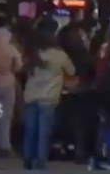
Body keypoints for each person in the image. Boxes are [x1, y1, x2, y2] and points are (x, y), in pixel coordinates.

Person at [22, 18, 76, 170]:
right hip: (49, 97)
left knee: (30, 130)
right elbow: (72, 71)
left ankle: (27, 158)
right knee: (43, 133)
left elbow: (21, 68)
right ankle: (40, 162)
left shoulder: (31, 53)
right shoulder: (59, 55)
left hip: (31, 95)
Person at [0, 14, 23, 156]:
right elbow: (19, 66)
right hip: (8, 82)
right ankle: (4, 144)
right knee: (6, 116)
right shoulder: (11, 47)